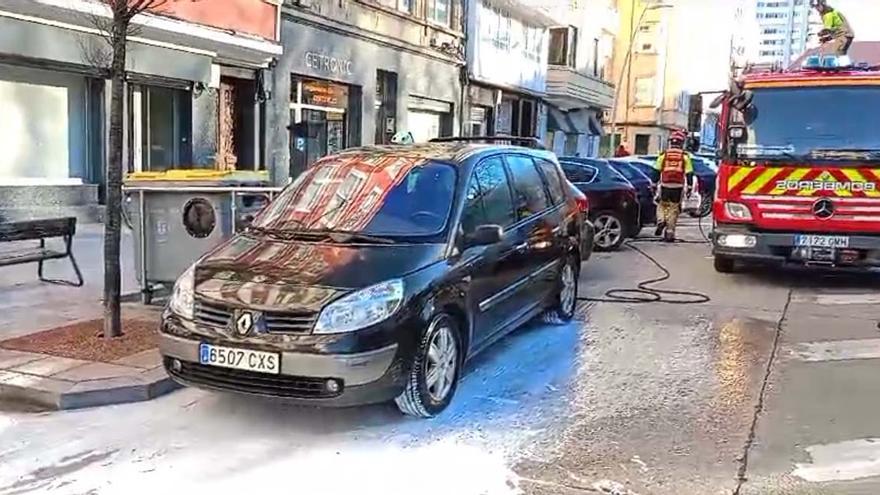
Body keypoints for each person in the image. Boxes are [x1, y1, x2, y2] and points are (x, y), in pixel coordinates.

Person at [652, 130, 694, 242]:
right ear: (681, 143)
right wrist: (689, 187)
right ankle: (670, 233)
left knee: (661, 205)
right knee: (674, 209)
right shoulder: (685, 157)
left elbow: (656, 171)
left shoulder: (664, 155)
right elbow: (689, 173)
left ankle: (661, 220)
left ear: (670, 142)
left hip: (665, 185)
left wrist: (654, 184)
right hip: (678, 187)